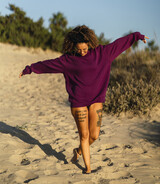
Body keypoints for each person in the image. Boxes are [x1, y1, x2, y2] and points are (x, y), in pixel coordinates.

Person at [19, 25, 149, 174]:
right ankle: (88, 168)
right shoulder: (68, 60)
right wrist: (29, 69)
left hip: (96, 99)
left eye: (85, 49)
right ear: (73, 46)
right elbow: (48, 65)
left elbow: (119, 44)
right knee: (84, 135)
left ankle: (78, 151)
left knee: (94, 135)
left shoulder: (103, 53)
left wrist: (137, 36)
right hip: (78, 101)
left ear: (90, 44)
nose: (82, 52)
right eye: (79, 50)